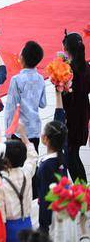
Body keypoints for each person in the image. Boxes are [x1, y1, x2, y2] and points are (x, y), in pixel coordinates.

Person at [0, 123, 38, 242]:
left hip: (9, 227)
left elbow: (0, 209)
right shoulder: (26, 173)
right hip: (26, 222)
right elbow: (33, 155)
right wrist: (23, 135)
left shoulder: (1, 180)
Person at [4, 41, 46, 151]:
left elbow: (10, 108)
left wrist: (8, 133)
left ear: (22, 58)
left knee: (19, 164)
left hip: (19, 131)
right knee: (32, 161)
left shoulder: (16, 80)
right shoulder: (40, 78)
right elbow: (43, 103)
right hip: (34, 129)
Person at [37, 91, 68, 236]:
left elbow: (44, 198)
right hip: (64, 209)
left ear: (45, 139)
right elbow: (60, 121)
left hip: (51, 219)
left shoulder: (45, 166)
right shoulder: (63, 152)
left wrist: (43, 226)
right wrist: (58, 95)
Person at [61, 31, 89, 183]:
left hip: (71, 117)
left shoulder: (67, 70)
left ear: (66, 50)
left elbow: (64, 96)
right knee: (74, 154)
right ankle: (83, 191)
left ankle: (83, 192)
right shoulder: (85, 67)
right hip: (83, 113)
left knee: (71, 157)